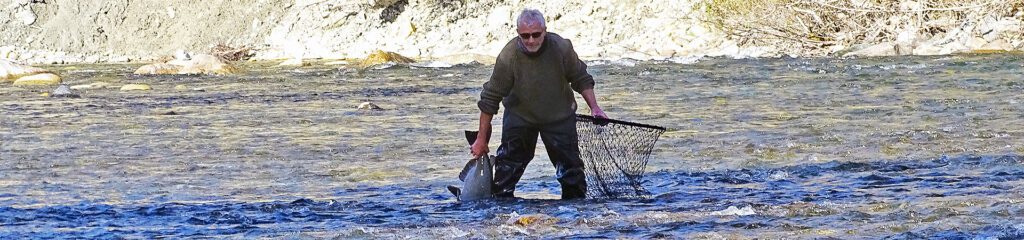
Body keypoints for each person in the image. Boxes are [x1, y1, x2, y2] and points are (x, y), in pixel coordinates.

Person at [470, 8, 607, 200]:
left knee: (571, 175)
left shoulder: (561, 47)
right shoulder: (509, 56)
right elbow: (489, 99)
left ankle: (576, 217)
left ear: (545, 31)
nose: (531, 40)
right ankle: (501, 214)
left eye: (536, 34)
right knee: (505, 175)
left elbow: (581, 78)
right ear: (518, 34)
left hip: (559, 117)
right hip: (520, 117)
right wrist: (481, 139)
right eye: (525, 36)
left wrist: (595, 108)